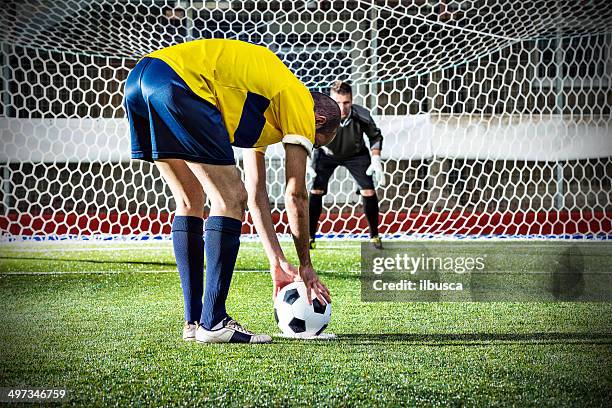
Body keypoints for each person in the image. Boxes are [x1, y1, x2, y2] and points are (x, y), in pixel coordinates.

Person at [124, 39, 339, 344]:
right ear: (317, 121)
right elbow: (296, 195)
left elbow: (255, 192)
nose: (306, 146)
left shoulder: (268, 104)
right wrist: (306, 265)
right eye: (313, 142)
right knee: (227, 198)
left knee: (190, 199)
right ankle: (214, 321)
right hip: (180, 83)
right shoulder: (299, 102)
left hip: (140, 80)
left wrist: (275, 259)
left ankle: (195, 321)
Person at [308, 80, 385, 250]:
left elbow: (375, 136)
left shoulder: (361, 115)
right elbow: (307, 134)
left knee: (369, 191)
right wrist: (307, 158)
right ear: (330, 100)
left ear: (352, 100)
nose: (342, 108)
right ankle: (310, 237)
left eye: (346, 103)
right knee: (315, 191)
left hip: (356, 154)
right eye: (337, 103)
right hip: (326, 154)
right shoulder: (320, 116)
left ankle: (374, 236)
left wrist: (376, 159)